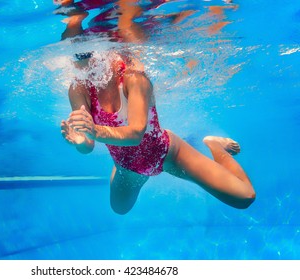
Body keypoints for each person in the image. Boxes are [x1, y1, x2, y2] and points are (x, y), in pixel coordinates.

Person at [60, 52, 255, 214]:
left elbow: (136, 133)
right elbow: (88, 145)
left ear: (106, 52)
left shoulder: (133, 77)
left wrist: (94, 130)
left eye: (88, 57)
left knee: (244, 197)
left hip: (167, 153)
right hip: (128, 168)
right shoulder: (79, 89)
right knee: (119, 209)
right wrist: (80, 142)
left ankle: (214, 144)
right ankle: (118, 166)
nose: (84, 68)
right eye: (78, 59)